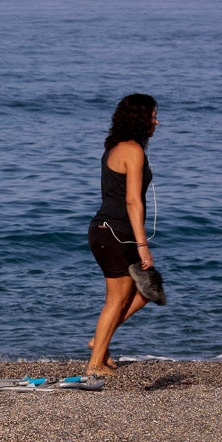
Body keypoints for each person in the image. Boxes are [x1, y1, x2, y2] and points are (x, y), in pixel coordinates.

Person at [86, 93, 160, 376]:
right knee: (116, 299)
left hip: (113, 232)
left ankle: (98, 344)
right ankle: (95, 363)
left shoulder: (119, 146)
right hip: (113, 233)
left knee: (147, 289)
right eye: (153, 116)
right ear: (140, 119)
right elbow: (132, 200)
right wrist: (143, 245)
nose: (157, 121)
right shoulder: (132, 150)